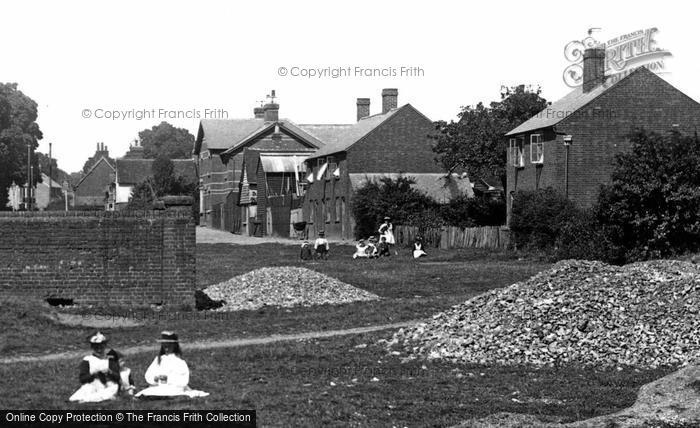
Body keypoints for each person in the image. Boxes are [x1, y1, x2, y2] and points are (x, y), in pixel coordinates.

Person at [135, 331, 209, 399]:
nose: (166, 349)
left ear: (174, 346)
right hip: (159, 386)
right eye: (165, 346)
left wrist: (168, 378)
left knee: (170, 392)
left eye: (169, 346)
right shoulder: (158, 359)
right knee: (148, 392)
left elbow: (183, 380)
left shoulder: (179, 362)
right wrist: (155, 378)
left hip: (173, 387)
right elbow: (149, 374)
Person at [69, 332, 120, 403]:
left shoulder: (110, 359)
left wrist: (110, 372)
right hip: (93, 384)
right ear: (92, 347)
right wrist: (92, 374)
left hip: (108, 384)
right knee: (81, 394)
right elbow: (82, 379)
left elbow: (118, 377)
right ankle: (87, 399)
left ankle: (94, 399)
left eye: (101, 347)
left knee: (106, 394)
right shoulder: (88, 360)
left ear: (105, 346)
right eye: (96, 347)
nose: (99, 350)